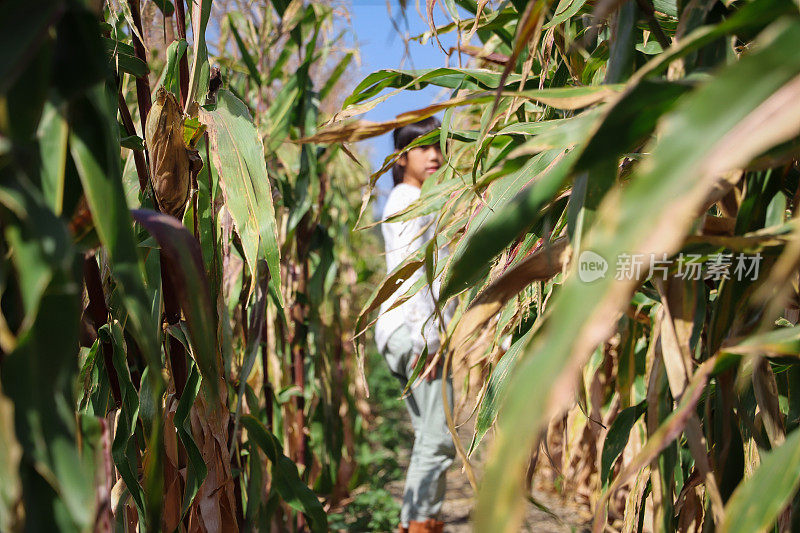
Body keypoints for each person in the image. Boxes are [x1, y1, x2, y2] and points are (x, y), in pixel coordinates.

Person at [374, 117, 457, 533]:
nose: (435, 155)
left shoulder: (410, 200)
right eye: (423, 147)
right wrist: (430, 339)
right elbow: (412, 275)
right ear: (402, 156)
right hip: (416, 333)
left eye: (438, 147)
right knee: (439, 436)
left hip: (406, 331)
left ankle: (420, 520)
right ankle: (420, 522)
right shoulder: (409, 200)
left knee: (430, 433)